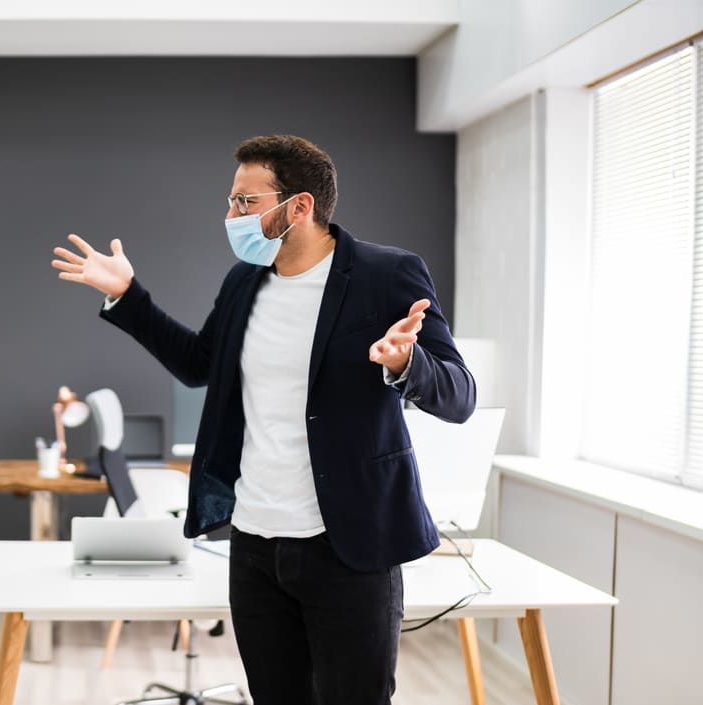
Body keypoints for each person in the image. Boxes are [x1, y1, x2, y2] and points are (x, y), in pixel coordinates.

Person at [52, 134, 475, 704]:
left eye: (244, 203)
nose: (229, 216)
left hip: (348, 544)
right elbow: (199, 363)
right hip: (255, 545)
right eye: (231, 201)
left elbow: (460, 395)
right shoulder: (244, 281)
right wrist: (128, 296)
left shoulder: (387, 274)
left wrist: (406, 363)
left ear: (299, 206)